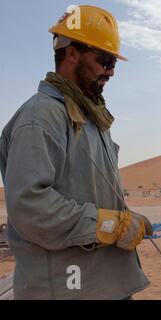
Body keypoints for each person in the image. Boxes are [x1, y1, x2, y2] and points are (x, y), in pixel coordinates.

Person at [0, 5, 152, 299]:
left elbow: (87, 194)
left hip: (105, 284)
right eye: (105, 60)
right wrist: (110, 225)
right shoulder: (41, 117)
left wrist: (123, 219)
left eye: (114, 63)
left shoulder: (90, 117)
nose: (110, 71)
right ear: (71, 54)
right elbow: (30, 206)